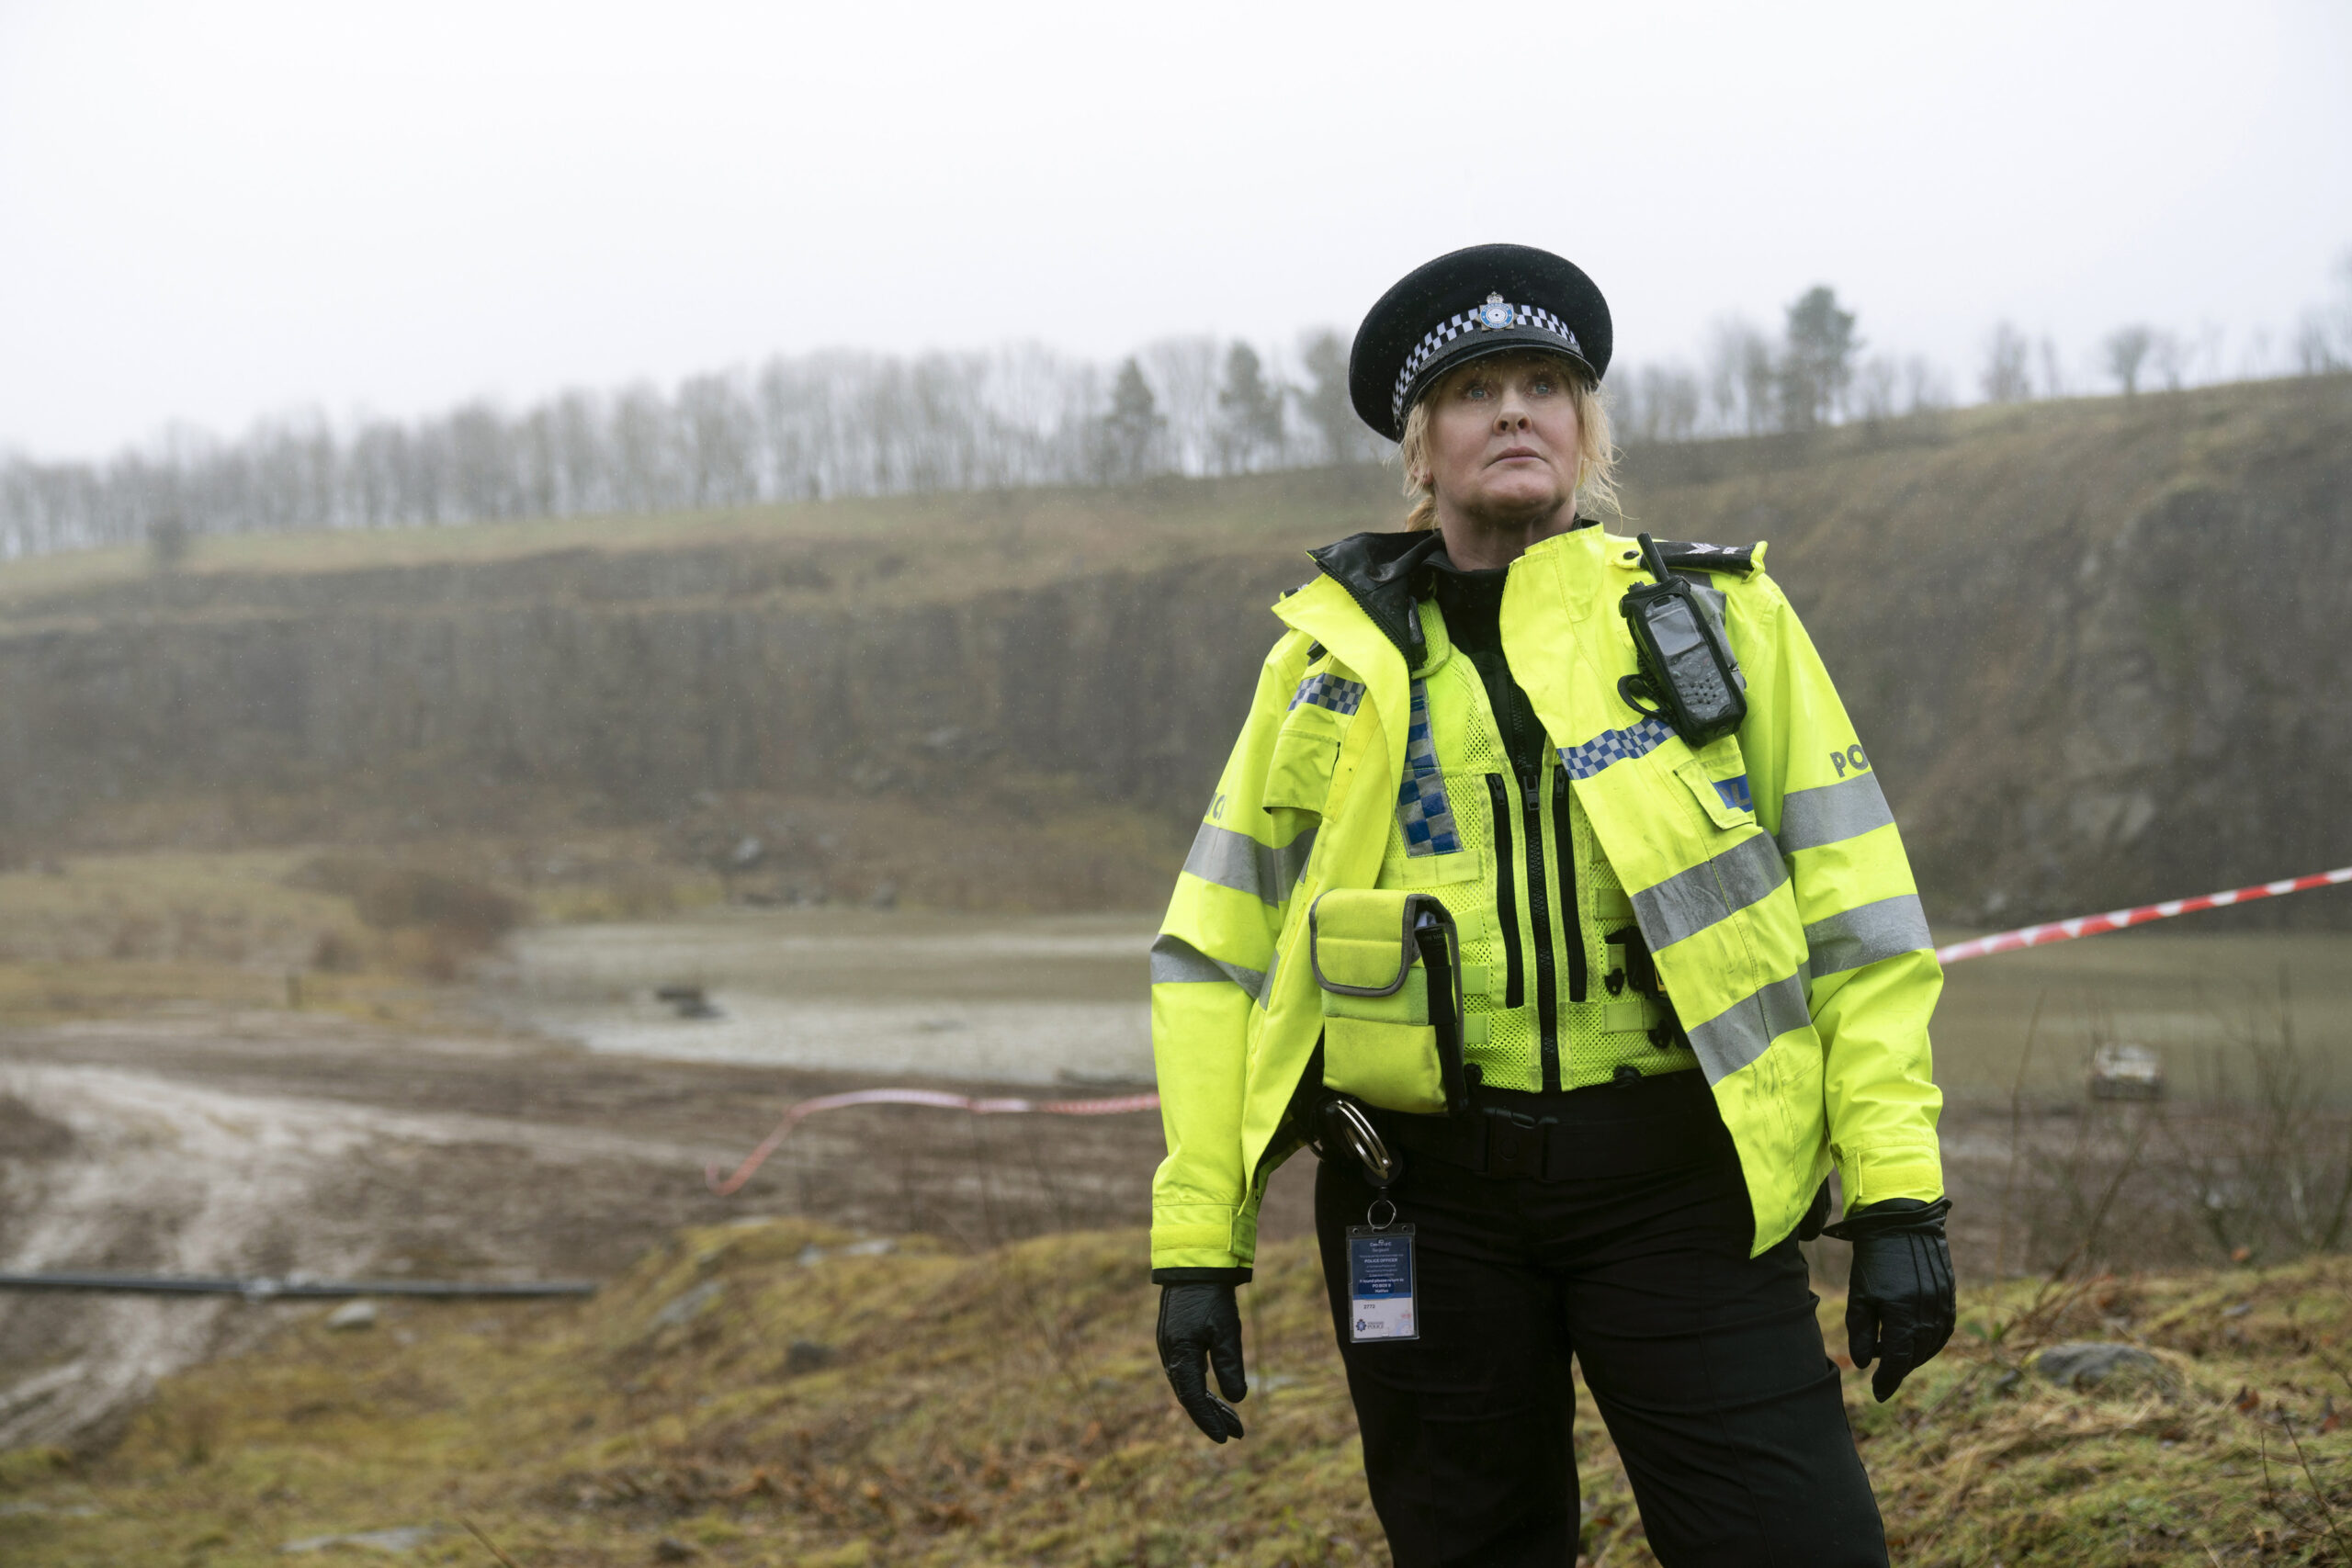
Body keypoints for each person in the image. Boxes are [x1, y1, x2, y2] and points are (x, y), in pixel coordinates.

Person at [1148, 243, 1952, 1566]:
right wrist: (1199, 1243)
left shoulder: (1724, 622)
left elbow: (1860, 924)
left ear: (1586, 429)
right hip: (1421, 1202)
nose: (1514, 410)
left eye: (1545, 383)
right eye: (1473, 392)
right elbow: (1212, 954)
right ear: (1421, 449)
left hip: (1684, 1189)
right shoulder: (1323, 665)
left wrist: (1899, 1202)